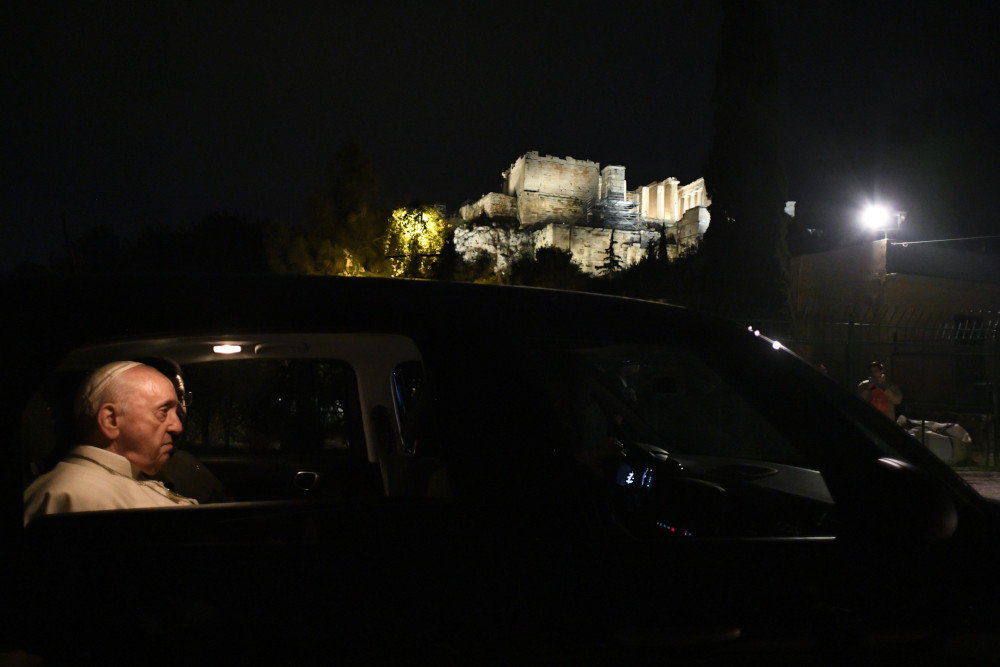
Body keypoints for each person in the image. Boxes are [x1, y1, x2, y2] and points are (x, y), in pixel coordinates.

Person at [23, 361, 198, 525]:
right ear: (111, 420)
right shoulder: (77, 497)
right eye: (163, 412)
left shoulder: (116, 478)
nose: (177, 427)